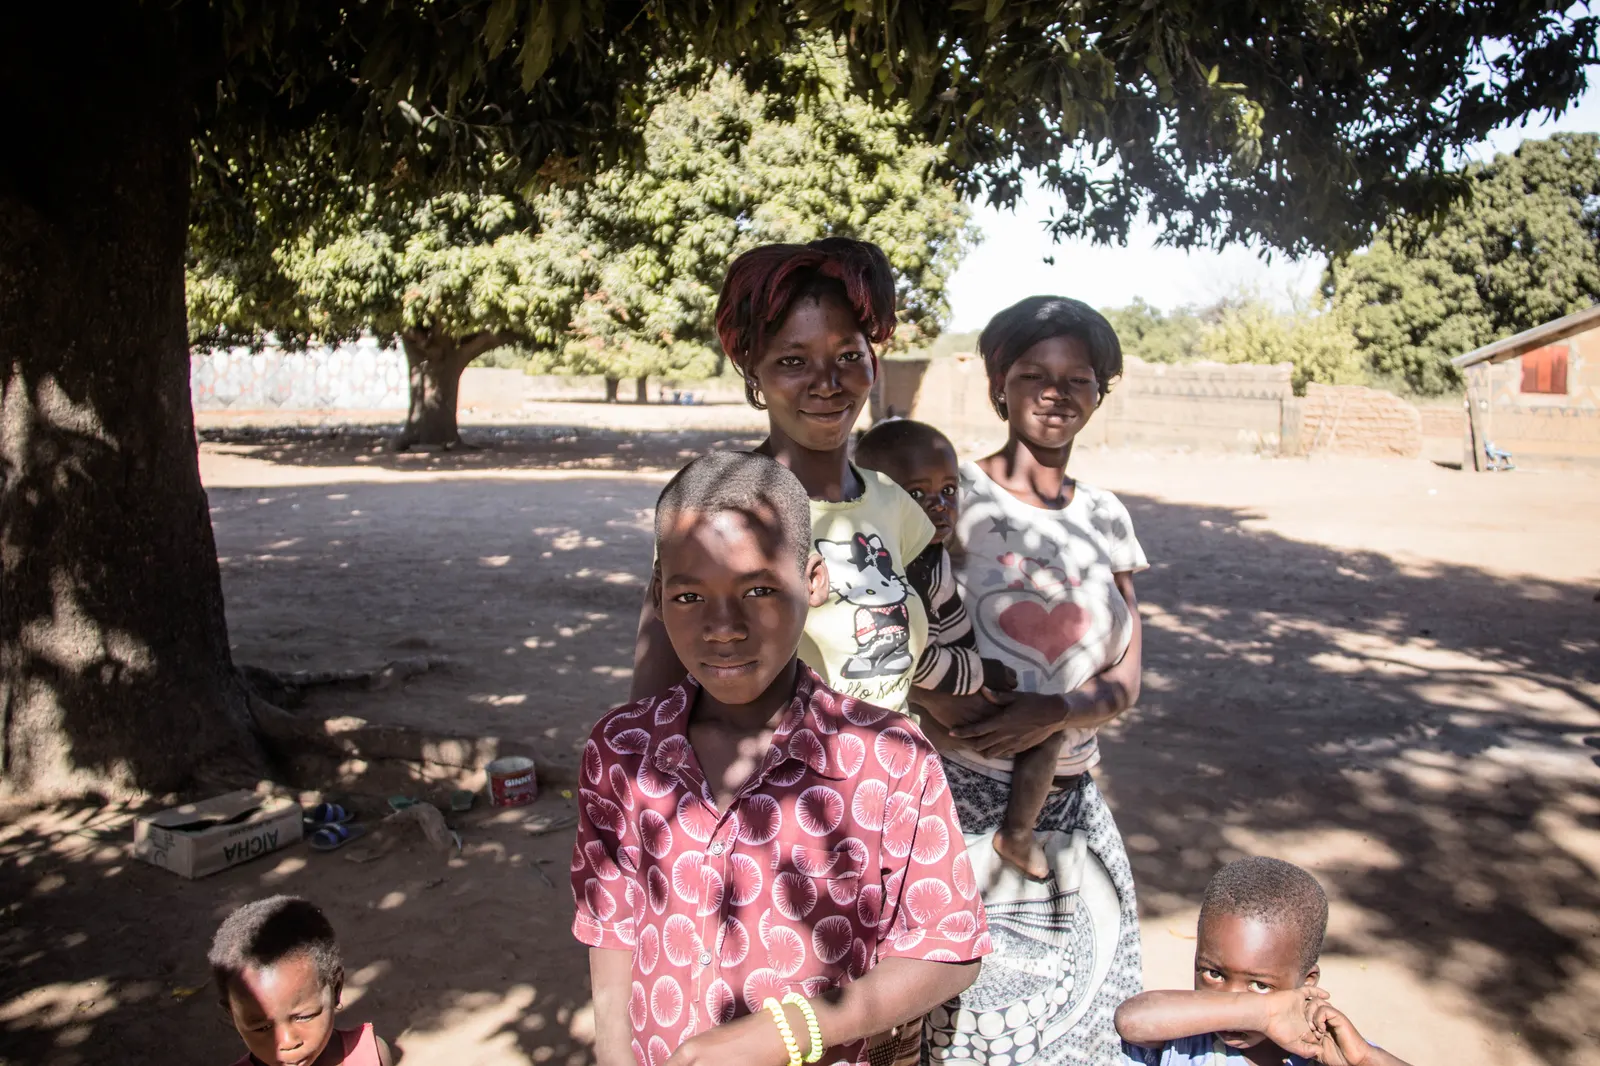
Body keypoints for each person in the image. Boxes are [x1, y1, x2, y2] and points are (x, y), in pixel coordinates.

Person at [576, 452, 990, 1066]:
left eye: (760, 589)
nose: (724, 626)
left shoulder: (889, 758)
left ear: (815, 580)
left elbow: (947, 948)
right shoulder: (622, 749)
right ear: (659, 596)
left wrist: (788, 1031)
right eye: (690, 596)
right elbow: (611, 927)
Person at [914, 296, 1147, 1064]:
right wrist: (949, 715)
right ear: (998, 386)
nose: (1055, 393)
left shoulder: (1109, 517)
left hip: (1072, 795)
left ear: (1100, 393)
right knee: (961, 1016)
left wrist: (1052, 712)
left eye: (1078, 378)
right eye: (1032, 375)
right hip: (954, 792)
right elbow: (899, 622)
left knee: (1079, 1019)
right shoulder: (953, 498)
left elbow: (1128, 675)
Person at [630, 238, 989, 715]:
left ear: (872, 364)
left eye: (847, 356)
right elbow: (652, 708)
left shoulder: (895, 505)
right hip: (772, 788)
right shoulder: (719, 509)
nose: (826, 383)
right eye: (793, 361)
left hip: (889, 780)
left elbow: (925, 654)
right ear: (753, 373)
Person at [855, 417, 1052, 859]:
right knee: (1047, 735)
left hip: (950, 682)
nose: (938, 505)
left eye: (947, 491)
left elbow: (950, 614)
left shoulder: (928, 551)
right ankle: (1018, 835)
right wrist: (980, 673)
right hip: (925, 701)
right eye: (918, 494)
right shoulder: (896, 567)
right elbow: (908, 658)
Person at [1116, 858, 1415, 1066]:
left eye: (1260, 985)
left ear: (1307, 984)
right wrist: (1264, 1010)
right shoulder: (1184, 1036)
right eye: (1214, 974)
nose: (1233, 999)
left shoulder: (1328, 1052)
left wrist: (1365, 1059)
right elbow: (1131, 1020)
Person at [209, 895, 392, 1066]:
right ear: (233, 1018)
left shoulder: (371, 1056)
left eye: (303, 1017)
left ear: (335, 988)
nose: (288, 1042)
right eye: (262, 1028)